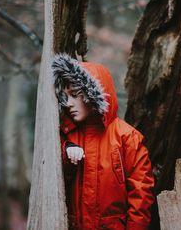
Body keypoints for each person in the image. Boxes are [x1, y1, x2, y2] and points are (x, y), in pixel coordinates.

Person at [52, 53, 155, 230]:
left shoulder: (128, 138)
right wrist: (67, 154)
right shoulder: (66, 135)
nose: (68, 103)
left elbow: (141, 194)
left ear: (93, 93)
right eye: (65, 96)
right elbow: (55, 181)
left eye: (75, 94)